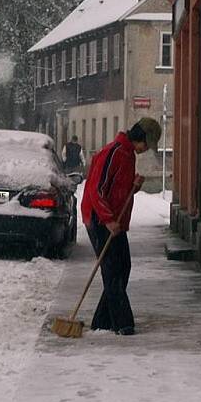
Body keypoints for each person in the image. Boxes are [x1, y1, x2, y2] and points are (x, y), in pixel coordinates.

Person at [80, 117, 162, 335]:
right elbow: (95, 189)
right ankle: (123, 323)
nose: (146, 150)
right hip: (98, 218)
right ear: (140, 137)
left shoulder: (128, 154)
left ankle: (102, 321)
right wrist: (107, 219)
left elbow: (117, 190)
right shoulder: (114, 152)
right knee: (113, 270)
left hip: (114, 220)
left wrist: (133, 187)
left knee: (122, 267)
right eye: (147, 144)